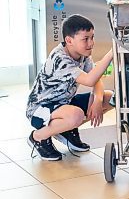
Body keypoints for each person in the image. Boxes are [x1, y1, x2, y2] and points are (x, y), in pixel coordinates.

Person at [26, 14, 114, 161]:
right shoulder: (60, 59)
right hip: (39, 109)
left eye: (92, 37)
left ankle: (66, 130)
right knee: (76, 115)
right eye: (85, 39)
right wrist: (112, 53)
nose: (91, 43)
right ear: (69, 40)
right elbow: (90, 79)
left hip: (63, 104)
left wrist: (98, 100)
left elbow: (96, 79)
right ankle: (38, 137)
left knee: (110, 98)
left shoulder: (83, 54)